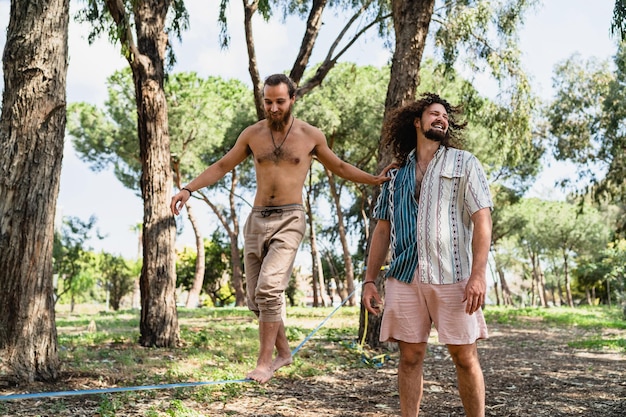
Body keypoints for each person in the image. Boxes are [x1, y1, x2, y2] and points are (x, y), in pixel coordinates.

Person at [171, 73, 391, 384]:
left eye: (280, 102)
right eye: (268, 102)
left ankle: (263, 363)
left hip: (290, 218)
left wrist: (374, 179)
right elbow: (222, 165)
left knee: (269, 289)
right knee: (255, 298)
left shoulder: (311, 135)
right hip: (257, 218)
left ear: (293, 99)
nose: (273, 108)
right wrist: (188, 189)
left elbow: (339, 166)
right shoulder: (252, 134)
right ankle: (284, 353)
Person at [362, 93, 493, 417]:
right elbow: (382, 229)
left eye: (445, 116)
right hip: (405, 277)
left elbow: (482, 220)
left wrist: (478, 275)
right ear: (417, 122)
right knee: (410, 357)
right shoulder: (395, 175)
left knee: (465, 356)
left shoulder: (465, 163)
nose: (441, 119)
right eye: (434, 114)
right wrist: (369, 280)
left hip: (453, 275)